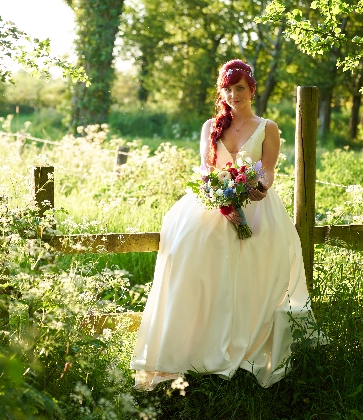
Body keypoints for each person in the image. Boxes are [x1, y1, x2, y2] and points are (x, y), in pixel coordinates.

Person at [130, 59, 316, 390]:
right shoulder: (210, 126)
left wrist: (261, 187)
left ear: (252, 89)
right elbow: (206, 168)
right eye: (228, 89)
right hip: (213, 202)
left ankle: (244, 343)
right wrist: (219, 196)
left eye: (239, 88)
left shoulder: (267, 127)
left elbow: (269, 169)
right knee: (193, 254)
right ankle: (194, 345)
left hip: (256, 204)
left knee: (254, 271)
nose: (233, 95)